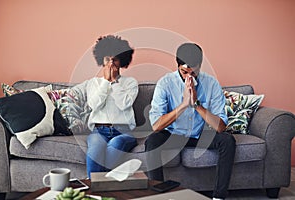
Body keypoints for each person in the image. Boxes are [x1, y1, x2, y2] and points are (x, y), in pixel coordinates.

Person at [145, 43, 236, 200]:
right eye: (184, 72)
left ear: (200, 66)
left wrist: (196, 104)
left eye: (193, 72)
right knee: (152, 141)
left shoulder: (211, 84)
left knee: (228, 140)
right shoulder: (165, 83)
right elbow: (156, 125)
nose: (189, 77)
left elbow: (220, 127)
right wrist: (184, 105)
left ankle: (219, 197)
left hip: (200, 134)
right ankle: (158, 197)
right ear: (178, 65)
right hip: (173, 134)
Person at [72, 35, 138, 178]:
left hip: (123, 130)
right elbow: (94, 105)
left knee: (115, 144)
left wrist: (114, 82)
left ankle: (95, 185)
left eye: (115, 59)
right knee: (95, 149)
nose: (111, 63)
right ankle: (101, 186)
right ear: (102, 59)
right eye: (107, 59)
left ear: (122, 61)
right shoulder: (94, 83)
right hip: (99, 130)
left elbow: (124, 104)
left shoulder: (130, 83)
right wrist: (106, 82)